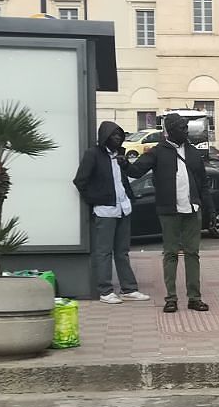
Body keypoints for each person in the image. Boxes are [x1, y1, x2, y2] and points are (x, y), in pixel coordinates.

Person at [125, 112, 208, 314]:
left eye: (186, 127)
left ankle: (194, 298)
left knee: (192, 254)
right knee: (170, 254)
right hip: (169, 211)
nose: (185, 131)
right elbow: (135, 172)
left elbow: (203, 184)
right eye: (181, 128)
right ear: (169, 131)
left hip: (192, 209)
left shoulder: (193, 152)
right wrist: (122, 162)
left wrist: (209, 210)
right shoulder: (157, 152)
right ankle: (171, 298)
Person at [74, 121, 148, 305]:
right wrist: (97, 199)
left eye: (120, 135)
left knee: (122, 252)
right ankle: (105, 291)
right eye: (114, 135)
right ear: (105, 137)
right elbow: (80, 181)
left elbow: (132, 175)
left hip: (123, 208)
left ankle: (129, 289)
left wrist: (126, 165)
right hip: (105, 210)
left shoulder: (120, 155)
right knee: (104, 252)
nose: (118, 138)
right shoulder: (93, 154)